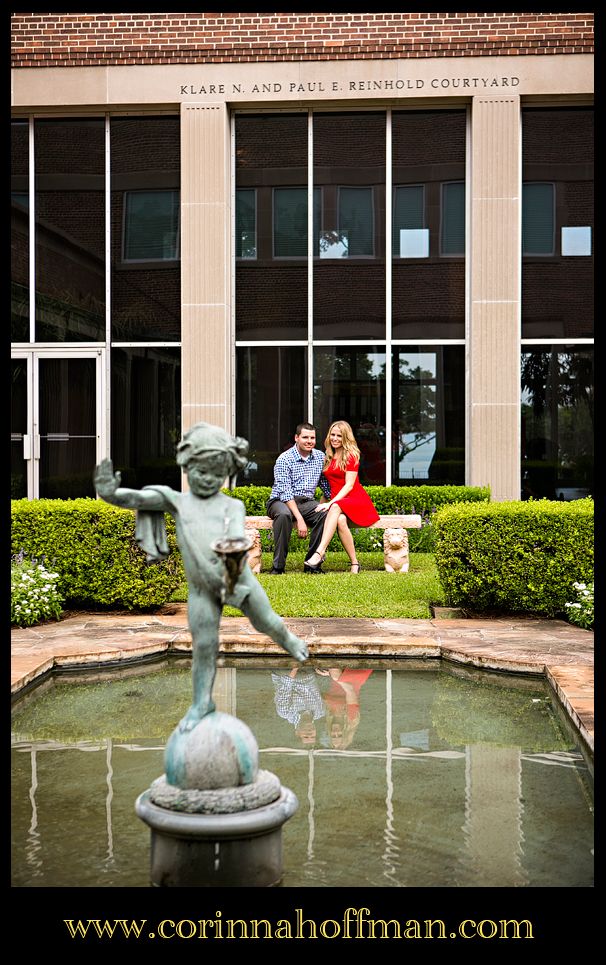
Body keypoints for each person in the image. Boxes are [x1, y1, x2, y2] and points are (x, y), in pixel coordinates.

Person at [94, 422, 308, 734]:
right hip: (201, 589)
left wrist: (231, 560)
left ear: (226, 470)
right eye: (200, 470)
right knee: (204, 645)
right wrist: (109, 492)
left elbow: (235, 535)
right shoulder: (177, 501)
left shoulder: (232, 505)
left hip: (237, 578)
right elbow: (136, 499)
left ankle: (287, 639)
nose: (207, 478)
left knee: (267, 622)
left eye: (215, 471)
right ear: (187, 465)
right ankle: (201, 703)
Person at [305, 420, 380, 573]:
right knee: (340, 519)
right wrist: (323, 503)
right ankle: (354, 563)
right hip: (337, 501)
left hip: (355, 499)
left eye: (339, 435)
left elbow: (349, 485)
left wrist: (331, 503)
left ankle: (319, 553)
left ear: (346, 437)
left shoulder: (351, 455)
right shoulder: (328, 455)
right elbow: (328, 486)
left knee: (336, 507)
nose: (335, 438)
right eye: (332, 435)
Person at [266, 422, 334, 575]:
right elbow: (285, 493)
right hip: (280, 501)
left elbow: (325, 486)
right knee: (284, 515)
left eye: (312, 438)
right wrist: (300, 519)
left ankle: (312, 564)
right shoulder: (284, 459)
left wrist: (334, 503)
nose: (309, 441)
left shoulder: (319, 457)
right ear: (296, 438)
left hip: (306, 502)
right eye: (305, 437)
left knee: (325, 514)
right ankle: (278, 567)